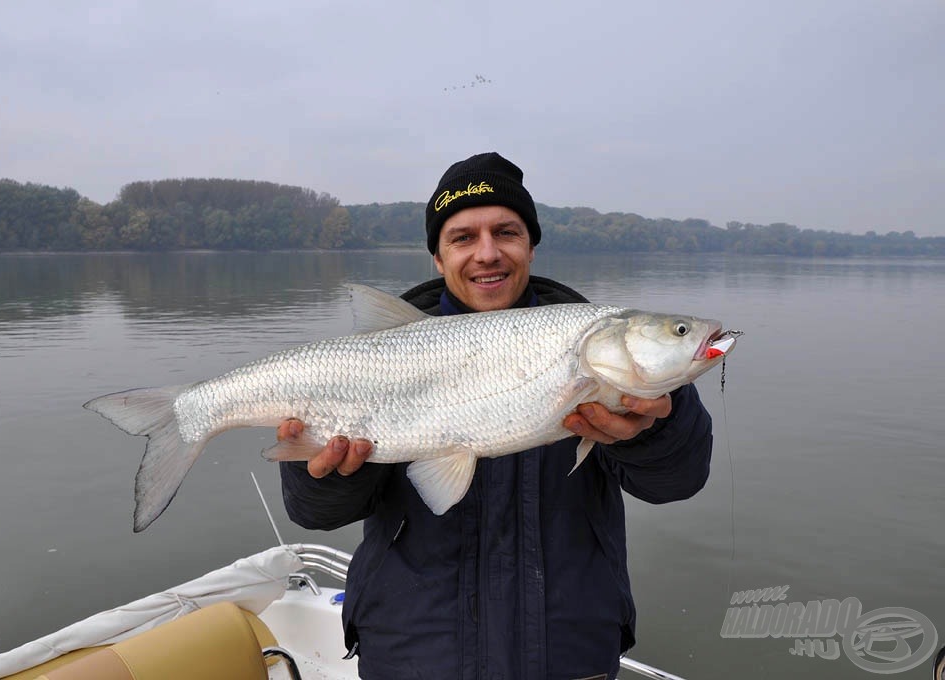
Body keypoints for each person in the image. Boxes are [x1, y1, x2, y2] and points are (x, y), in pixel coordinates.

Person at [279, 152, 713, 680]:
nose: (487, 253)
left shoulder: (605, 353)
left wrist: (651, 433)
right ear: (438, 258)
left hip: (568, 657)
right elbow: (312, 511)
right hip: (411, 656)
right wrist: (330, 469)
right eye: (463, 238)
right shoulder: (373, 357)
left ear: (530, 245)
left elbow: (679, 480)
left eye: (506, 232)